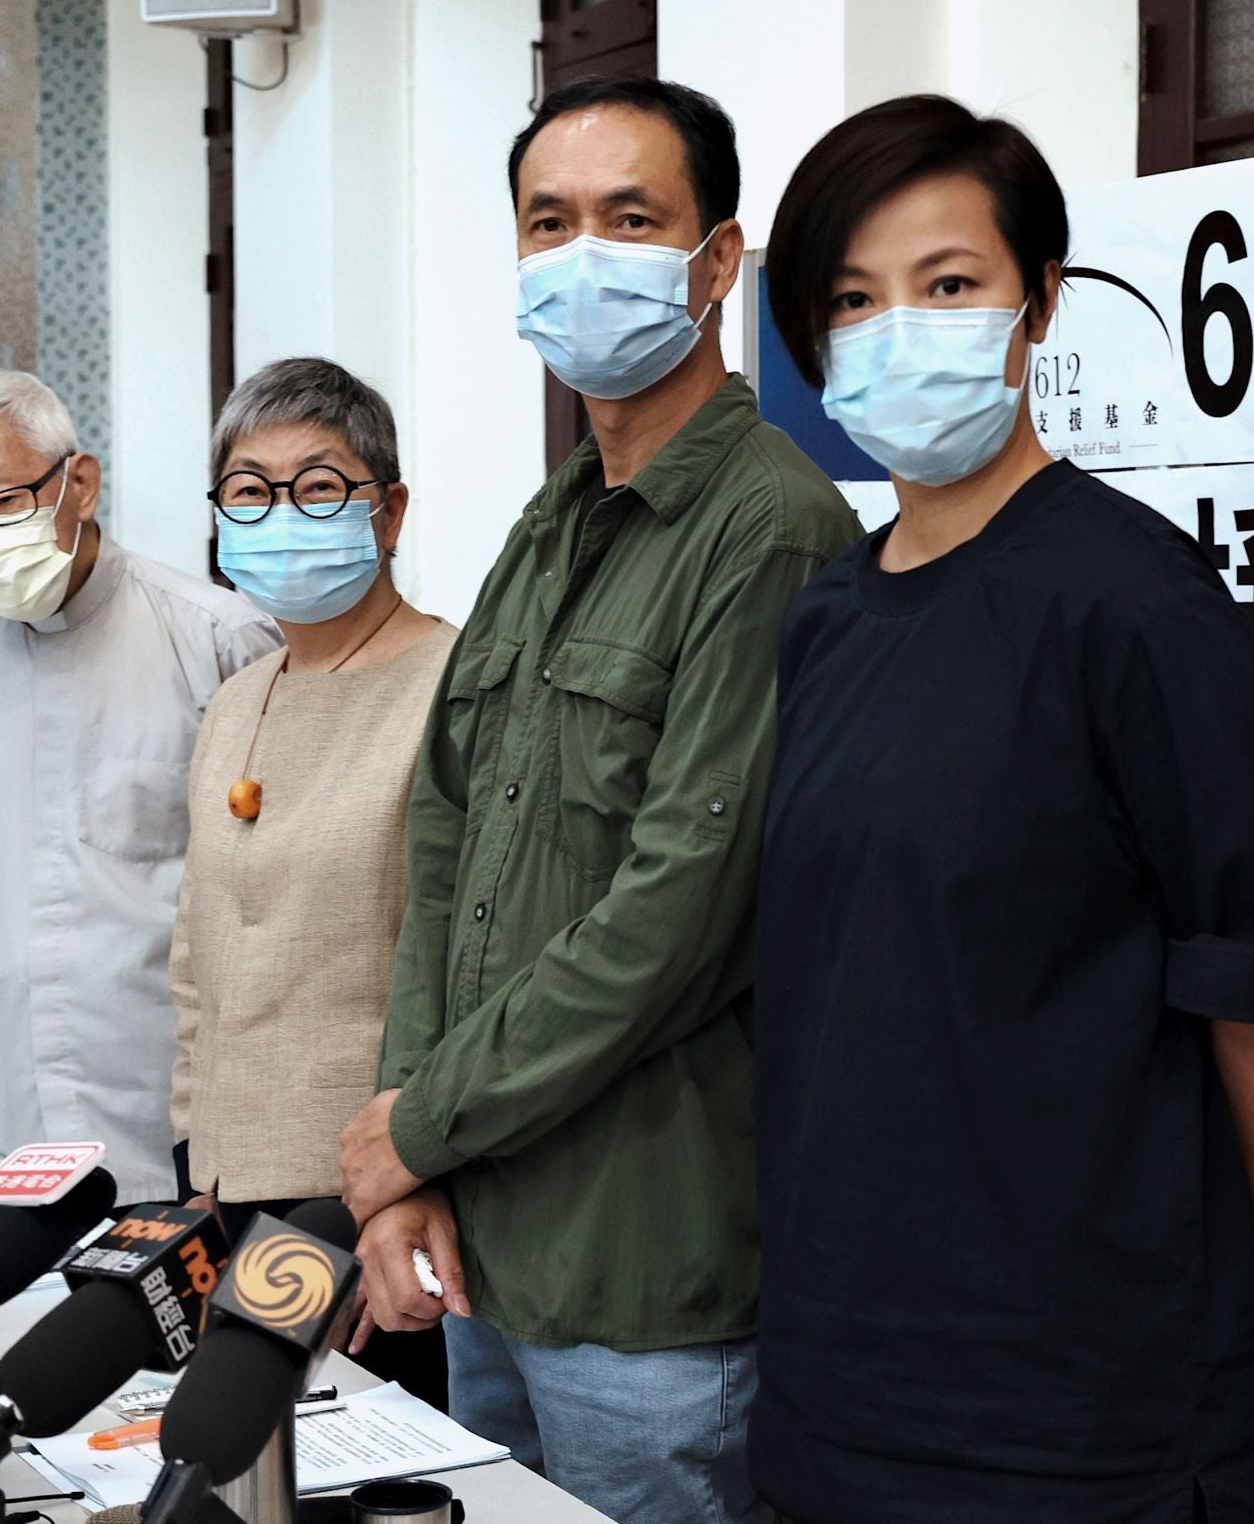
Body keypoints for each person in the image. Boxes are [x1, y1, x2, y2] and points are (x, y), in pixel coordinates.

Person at [749, 96, 1254, 1523]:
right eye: (852, 298)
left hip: (1081, 1403)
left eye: (948, 284)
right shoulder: (831, 608)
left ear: (1041, 303)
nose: (901, 328)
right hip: (844, 1377)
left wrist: (1204, 1252)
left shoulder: (1132, 598)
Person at [339, 79, 863, 1524]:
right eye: (549, 221)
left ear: (716, 262)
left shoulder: (771, 526)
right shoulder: (550, 516)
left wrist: (418, 1124)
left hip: (650, 1277)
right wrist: (405, 1157)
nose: (585, 253)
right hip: (483, 1241)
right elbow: (440, 849)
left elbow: (677, 920)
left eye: (632, 219)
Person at [0, 369, 277, 1204]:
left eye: (0, 500)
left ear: (81, 482)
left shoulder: (219, 641)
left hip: (195, 1132)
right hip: (23, 1131)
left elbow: (280, 897)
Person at [169, 357, 458, 1405]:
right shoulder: (236, 700)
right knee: (261, 1471)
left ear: (389, 514)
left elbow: (462, 966)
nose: (281, 513)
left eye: (320, 485)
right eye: (249, 490)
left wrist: (401, 1187)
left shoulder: (454, 686)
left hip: (382, 1200)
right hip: (229, 1188)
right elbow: (199, 957)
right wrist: (192, 1170)